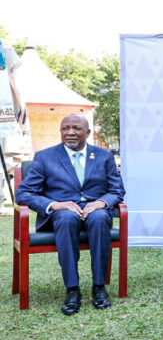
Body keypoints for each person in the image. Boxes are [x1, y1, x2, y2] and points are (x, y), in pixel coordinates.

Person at [15, 114, 125, 315]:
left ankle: (99, 287)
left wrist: (101, 202)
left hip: (95, 216)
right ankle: (72, 290)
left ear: (88, 133)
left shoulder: (104, 157)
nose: (70, 132)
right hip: (61, 218)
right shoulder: (45, 157)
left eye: (76, 128)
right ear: (61, 132)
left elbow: (117, 190)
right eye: (65, 128)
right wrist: (55, 204)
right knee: (67, 217)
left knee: (100, 216)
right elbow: (23, 193)